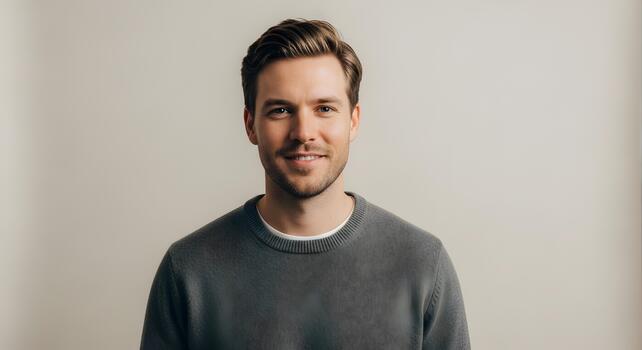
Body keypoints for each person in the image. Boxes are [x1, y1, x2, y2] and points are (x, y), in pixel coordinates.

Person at [140, 18, 471, 349]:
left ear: (353, 120)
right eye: (281, 110)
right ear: (250, 124)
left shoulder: (422, 264)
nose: (303, 132)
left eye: (324, 108)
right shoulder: (188, 270)